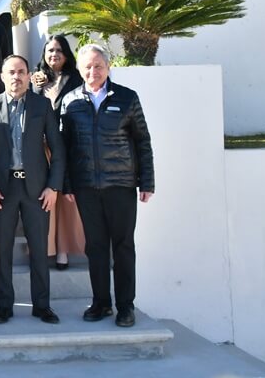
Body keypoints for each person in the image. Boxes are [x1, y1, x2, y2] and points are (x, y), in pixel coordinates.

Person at [60, 44, 155, 329]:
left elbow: (143, 141)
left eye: (98, 66)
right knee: (96, 246)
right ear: (80, 70)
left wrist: (147, 181)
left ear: (108, 67)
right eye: (87, 67)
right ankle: (101, 302)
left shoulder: (127, 98)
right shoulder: (70, 101)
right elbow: (65, 147)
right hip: (86, 186)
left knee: (123, 247)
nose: (93, 72)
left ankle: (126, 306)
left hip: (121, 185)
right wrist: (67, 185)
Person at [0, 54, 65, 326]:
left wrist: (53, 187)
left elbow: (58, 149)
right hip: (3, 191)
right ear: (2, 76)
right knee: (2, 250)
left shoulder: (42, 105)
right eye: (11, 72)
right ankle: (4, 306)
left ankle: (42, 306)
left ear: (28, 76)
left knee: (39, 250)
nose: (16, 77)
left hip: (36, 189)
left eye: (21, 72)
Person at [31, 35, 86, 271]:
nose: (54, 55)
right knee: (44, 200)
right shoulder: (37, 79)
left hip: (68, 147)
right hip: (42, 149)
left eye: (59, 50)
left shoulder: (77, 79)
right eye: (50, 50)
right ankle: (45, 248)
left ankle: (63, 250)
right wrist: (37, 86)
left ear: (66, 54)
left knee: (65, 200)